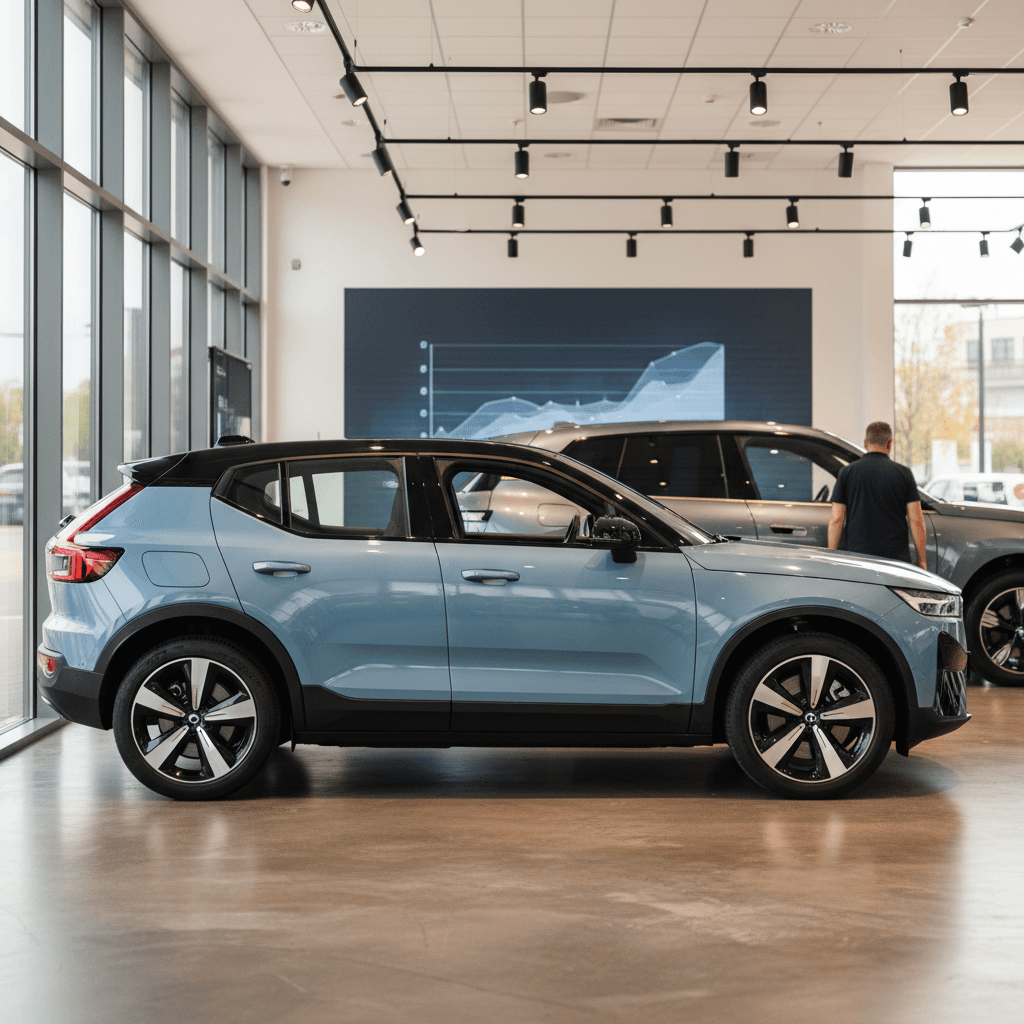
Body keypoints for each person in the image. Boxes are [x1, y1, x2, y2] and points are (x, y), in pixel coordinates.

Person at [827, 420, 927, 569]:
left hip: (858, 559)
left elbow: (837, 519)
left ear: (865, 442)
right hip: (896, 560)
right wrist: (922, 561)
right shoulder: (903, 474)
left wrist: (831, 558)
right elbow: (916, 519)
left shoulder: (847, 473)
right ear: (889, 443)